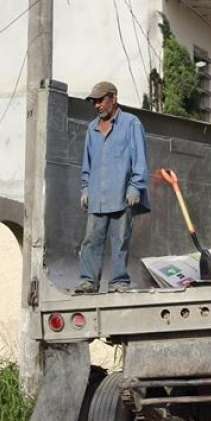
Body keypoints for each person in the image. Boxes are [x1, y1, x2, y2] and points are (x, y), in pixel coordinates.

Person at [77, 81, 150, 294]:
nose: (97, 105)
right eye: (94, 101)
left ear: (114, 98)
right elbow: (87, 163)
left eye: (101, 100)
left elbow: (140, 159)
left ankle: (118, 282)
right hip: (97, 195)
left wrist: (136, 187)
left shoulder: (131, 124)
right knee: (91, 240)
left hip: (122, 194)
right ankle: (88, 281)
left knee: (120, 241)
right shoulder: (92, 128)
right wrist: (85, 188)